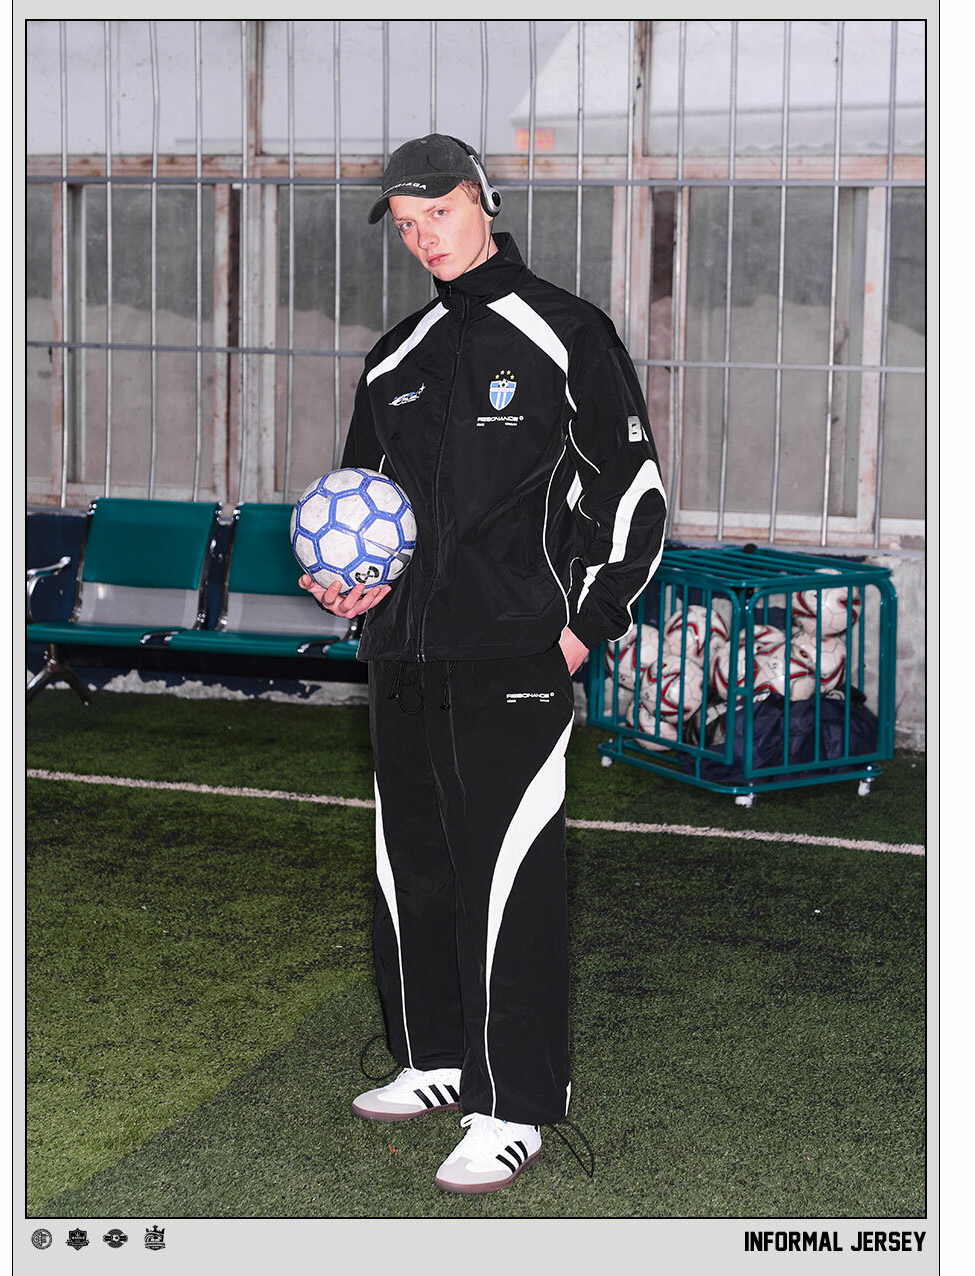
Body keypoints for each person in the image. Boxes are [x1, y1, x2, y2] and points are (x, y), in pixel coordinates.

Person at [299, 133, 666, 1195]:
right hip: (404, 655)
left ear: (483, 203)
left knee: (508, 877)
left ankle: (515, 1106)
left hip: (513, 654)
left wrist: (582, 629)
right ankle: (435, 1057)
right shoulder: (394, 358)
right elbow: (362, 506)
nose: (425, 238)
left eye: (440, 214)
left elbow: (634, 498)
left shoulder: (566, 331)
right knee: (411, 866)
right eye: (407, 225)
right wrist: (345, 587)